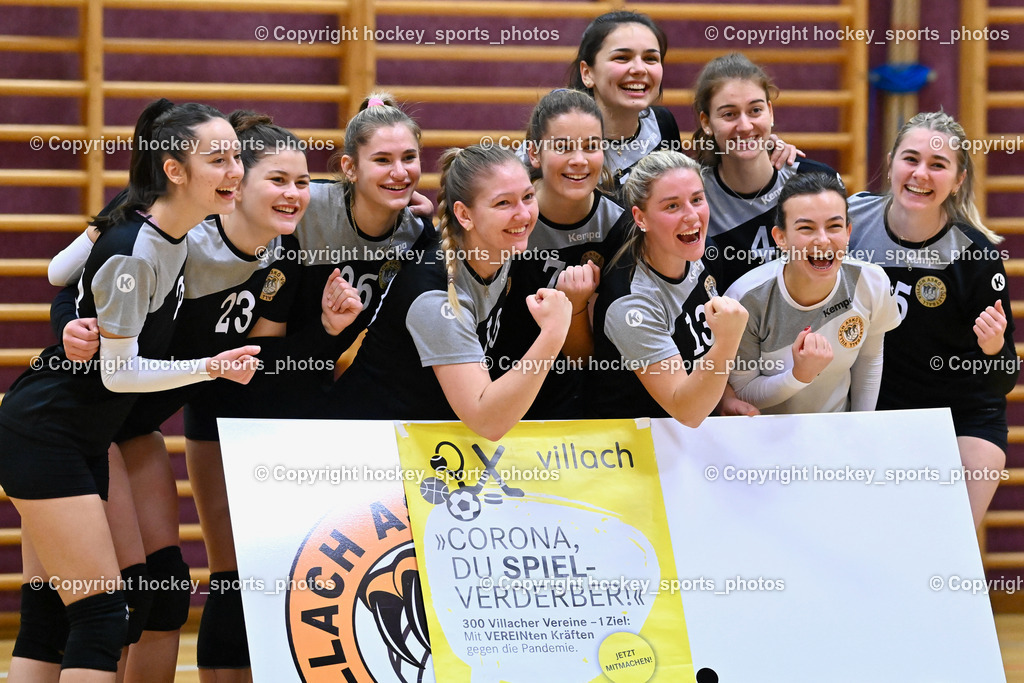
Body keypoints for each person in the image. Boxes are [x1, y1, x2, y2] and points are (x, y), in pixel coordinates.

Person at [50, 111, 361, 682]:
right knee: (112, 605)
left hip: (136, 425)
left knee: (165, 597)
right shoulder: (179, 235)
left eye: (303, 183)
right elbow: (73, 278)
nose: (296, 194)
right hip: (85, 424)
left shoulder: (277, 260)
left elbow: (257, 365)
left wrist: (325, 333)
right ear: (234, 184)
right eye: (278, 179)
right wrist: (69, 324)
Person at [0, 99, 258, 682]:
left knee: (52, 614)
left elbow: (63, 275)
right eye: (218, 160)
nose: (235, 171)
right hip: (45, 434)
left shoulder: (167, 236)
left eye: (238, 157)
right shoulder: (135, 250)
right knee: (102, 617)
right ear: (173, 170)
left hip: (77, 437)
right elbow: (120, 373)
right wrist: (211, 367)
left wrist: (75, 315)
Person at [326, 145, 573, 441]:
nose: (523, 214)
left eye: (528, 197)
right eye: (503, 203)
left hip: (423, 444)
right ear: (464, 216)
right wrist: (553, 334)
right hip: (364, 447)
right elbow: (487, 421)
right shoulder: (436, 298)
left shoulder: (501, 251)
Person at [848, 111, 1018, 528]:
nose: (921, 173)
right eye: (911, 159)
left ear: (958, 180)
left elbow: (1002, 379)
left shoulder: (973, 255)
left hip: (960, 418)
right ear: (890, 163)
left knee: (943, 557)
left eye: (938, 165)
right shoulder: (851, 222)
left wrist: (994, 347)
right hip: (873, 410)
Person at [270, 92, 436, 417]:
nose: (400, 172)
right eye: (383, 160)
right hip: (243, 386)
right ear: (350, 167)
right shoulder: (302, 211)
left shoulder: (418, 235)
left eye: (409, 157)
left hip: (317, 389)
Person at [489, 88, 632, 418]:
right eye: (563, 147)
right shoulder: (507, 216)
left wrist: (577, 307)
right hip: (497, 387)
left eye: (591, 146)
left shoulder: (619, 227)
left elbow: (584, 357)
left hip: (575, 401)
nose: (579, 159)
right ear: (535, 154)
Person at [589, 150, 748, 425]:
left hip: (688, 440)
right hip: (635, 450)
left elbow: (699, 358)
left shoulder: (703, 252)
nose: (692, 216)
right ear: (641, 218)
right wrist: (728, 342)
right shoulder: (631, 303)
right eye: (672, 206)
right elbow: (687, 411)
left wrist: (726, 398)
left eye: (697, 199)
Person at [725, 172, 901, 413]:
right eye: (806, 228)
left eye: (834, 226)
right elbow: (744, 393)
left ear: (848, 232)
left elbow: (869, 361)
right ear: (781, 238)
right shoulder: (745, 299)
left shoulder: (871, 281)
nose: (822, 240)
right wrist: (799, 375)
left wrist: (862, 427)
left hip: (835, 433)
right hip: (763, 438)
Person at [692, 52, 839, 290]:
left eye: (755, 110)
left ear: (770, 111)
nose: (745, 125)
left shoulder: (818, 181)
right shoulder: (696, 197)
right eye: (729, 114)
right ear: (706, 123)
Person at [567, 10, 680, 193]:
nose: (639, 69)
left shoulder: (663, 124)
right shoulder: (554, 130)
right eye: (622, 58)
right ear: (587, 73)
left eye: (650, 59)